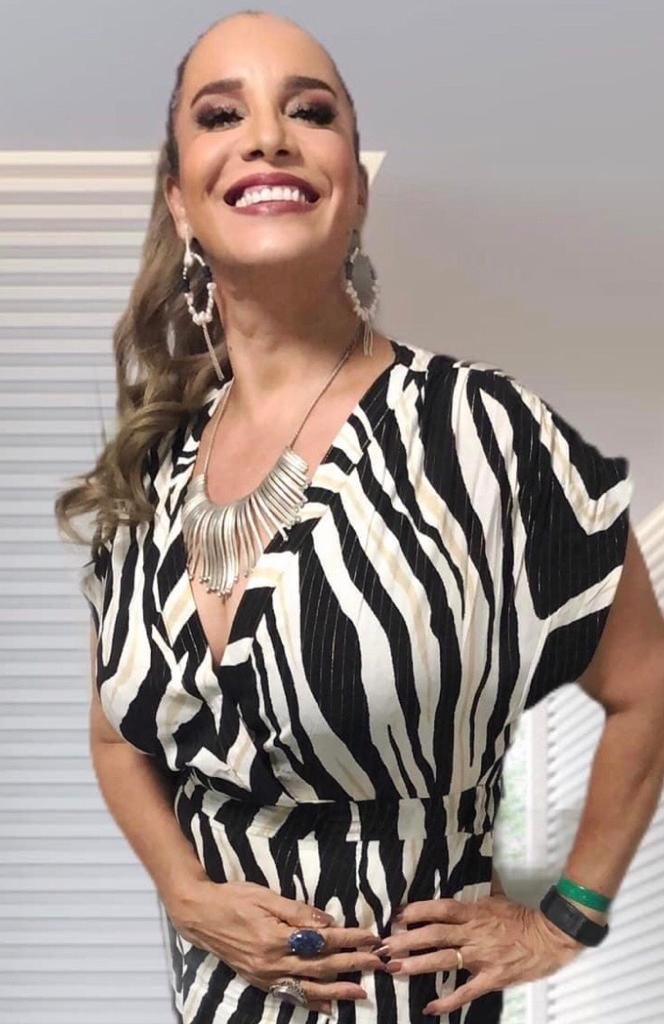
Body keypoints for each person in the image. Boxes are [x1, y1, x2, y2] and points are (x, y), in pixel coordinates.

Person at [55, 9, 664, 1024]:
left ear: (356, 188)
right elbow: (118, 739)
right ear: (180, 199)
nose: (267, 136)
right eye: (221, 115)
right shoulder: (151, 469)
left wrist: (568, 916)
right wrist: (184, 891)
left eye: (309, 110)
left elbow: (646, 687)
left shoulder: (482, 434)